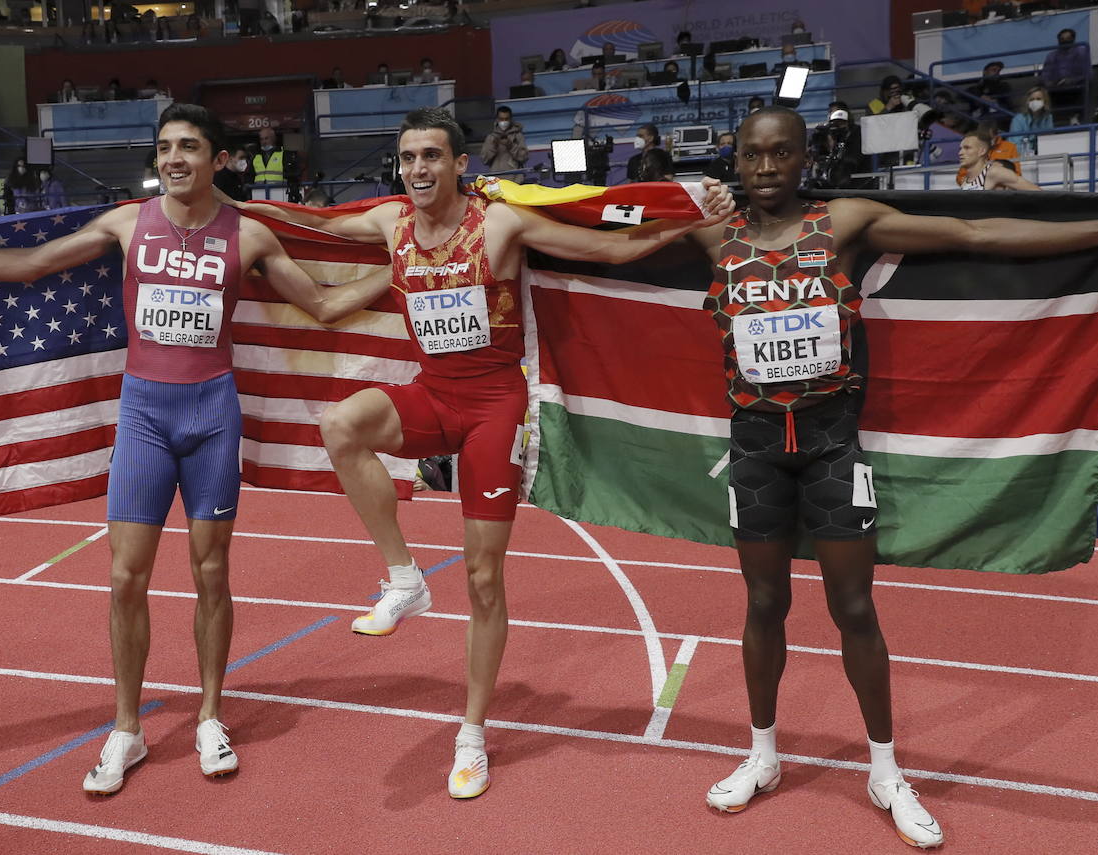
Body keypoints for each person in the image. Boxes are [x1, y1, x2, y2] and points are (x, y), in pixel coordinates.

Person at [688, 105, 1098, 847]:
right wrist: (503, 201)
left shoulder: (846, 220)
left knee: (854, 610)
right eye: (752, 156)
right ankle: (762, 754)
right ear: (736, 162)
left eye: (781, 154)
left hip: (832, 448)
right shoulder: (714, 233)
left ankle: (885, 770)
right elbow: (595, 236)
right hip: (757, 452)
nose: (766, 168)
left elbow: (974, 233)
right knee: (762, 601)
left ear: (804, 159)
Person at [0, 102, 395, 796]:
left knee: (211, 572)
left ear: (218, 160)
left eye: (189, 147)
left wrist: (409, 265)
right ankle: (127, 728)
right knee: (124, 578)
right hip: (144, 415)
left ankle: (210, 715)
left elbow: (324, 307)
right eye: (165, 147)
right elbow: (32, 265)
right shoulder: (126, 223)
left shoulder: (251, 236)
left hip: (213, 416)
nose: (173, 159)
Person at [227, 106, 734, 799]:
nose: (418, 170)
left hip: (495, 409)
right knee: (341, 425)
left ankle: (471, 733)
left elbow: (607, 240)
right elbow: (310, 223)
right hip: (433, 395)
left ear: (461, 164)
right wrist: (223, 204)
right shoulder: (389, 224)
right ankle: (403, 578)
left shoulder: (499, 223)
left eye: (432, 156)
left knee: (484, 577)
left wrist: (686, 218)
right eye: (407, 159)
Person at [1039, 28, 1090, 124]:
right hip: (1056, 87)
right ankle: (1050, 121)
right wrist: (1050, 83)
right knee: (1041, 90)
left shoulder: (1081, 52)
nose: (1065, 41)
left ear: (1073, 39)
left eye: (1068, 38)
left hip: (1075, 85)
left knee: (1081, 86)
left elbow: (1086, 73)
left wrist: (1071, 80)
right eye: (1062, 38)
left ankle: (1074, 118)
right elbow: (1045, 74)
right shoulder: (1052, 55)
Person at [956, 132, 1038, 190]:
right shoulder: (965, 180)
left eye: (967, 148)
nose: (960, 153)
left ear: (982, 151)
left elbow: (1036, 192)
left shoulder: (994, 172)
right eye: (961, 148)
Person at [480, 107, 528, 174]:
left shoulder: (518, 136)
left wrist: (511, 146)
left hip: (516, 179)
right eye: (501, 119)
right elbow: (484, 160)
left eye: (506, 119)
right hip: (497, 179)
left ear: (510, 119)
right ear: (497, 119)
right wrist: (494, 146)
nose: (504, 122)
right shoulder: (491, 137)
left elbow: (524, 158)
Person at [1008, 85, 1054, 155]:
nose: (1035, 101)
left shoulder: (1048, 117)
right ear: (1027, 102)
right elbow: (1015, 145)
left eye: (1038, 99)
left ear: (1045, 101)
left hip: (1044, 154)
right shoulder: (1018, 119)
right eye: (1032, 99)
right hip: (1023, 156)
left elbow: (1049, 139)